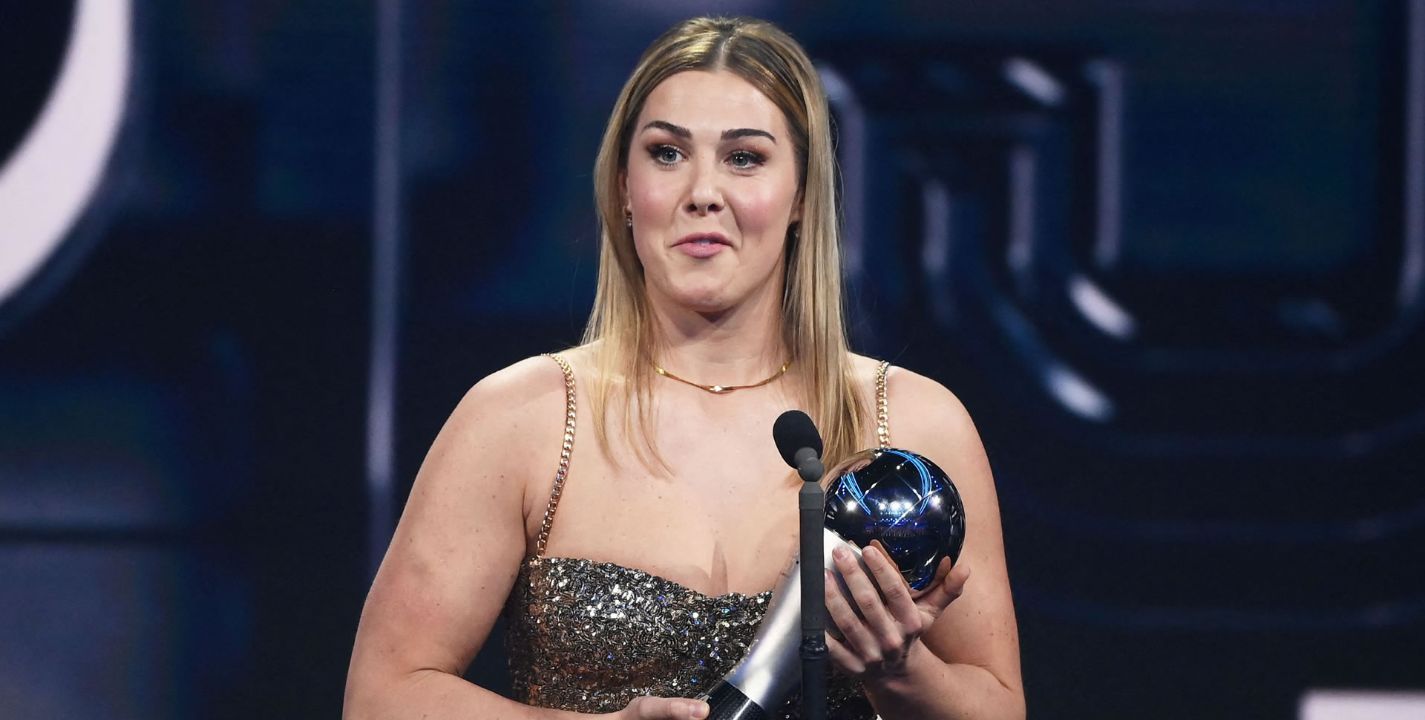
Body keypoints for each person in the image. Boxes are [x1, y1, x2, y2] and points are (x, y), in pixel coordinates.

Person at [345, 16, 1022, 720]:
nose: (702, 191)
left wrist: (900, 672)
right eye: (667, 154)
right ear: (623, 187)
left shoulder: (911, 423)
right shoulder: (523, 418)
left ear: (800, 195)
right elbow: (382, 697)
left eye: (744, 158)